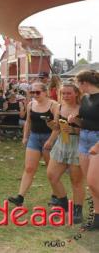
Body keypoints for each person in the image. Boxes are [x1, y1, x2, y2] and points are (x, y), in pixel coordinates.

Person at [8, 82, 59, 206]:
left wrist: (51, 140)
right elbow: (28, 122)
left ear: (45, 92)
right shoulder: (31, 104)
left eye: (38, 92)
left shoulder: (54, 105)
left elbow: (57, 126)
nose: (35, 95)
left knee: (51, 171)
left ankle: (57, 196)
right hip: (34, 138)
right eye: (32, 92)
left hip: (49, 137)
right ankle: (20, 197)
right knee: (29, 168)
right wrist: (25, 137)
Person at [46, 83, 84, 223]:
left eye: (69, 93)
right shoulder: (60, 107)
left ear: (76, 93)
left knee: (76, 180)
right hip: (61, 143)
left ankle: (77, 210)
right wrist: (51, 131)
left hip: (78, 144)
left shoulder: (83, 108)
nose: (66, 96)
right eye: (64, 94)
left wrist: (75, 126)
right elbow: (57, 128)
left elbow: (90, 129)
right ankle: (63, 203)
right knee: (52, 175)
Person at [68, 70, 99, 231]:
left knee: (94, 182)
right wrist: (75, 121)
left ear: (84, 83)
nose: (77, 86)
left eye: (78, 83)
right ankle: (97, 217)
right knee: (92, 184)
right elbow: (86, 123)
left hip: (96, 141)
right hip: (84, 140)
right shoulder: (85, 99)